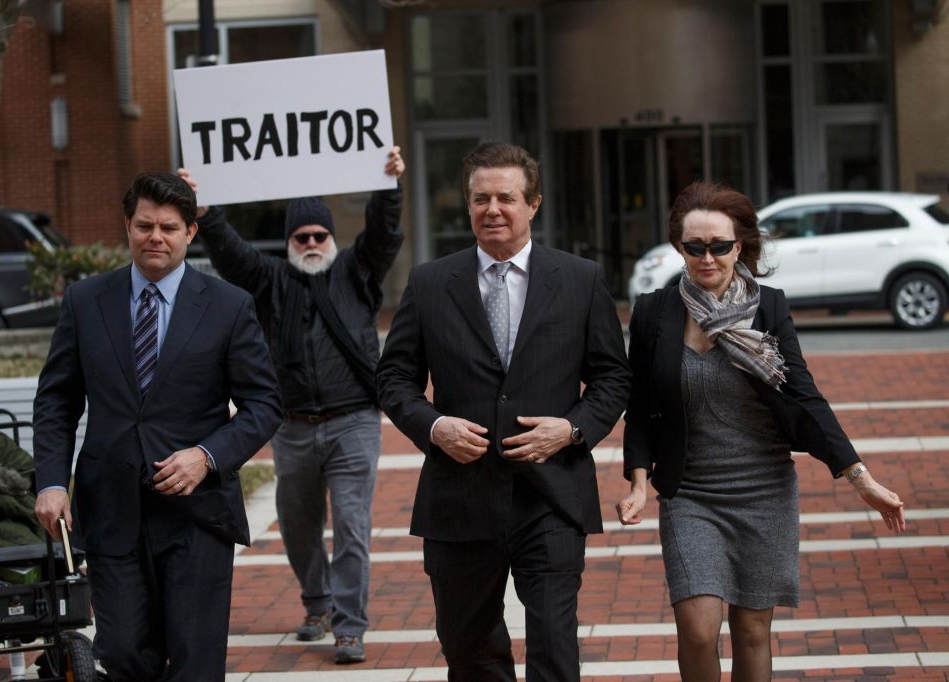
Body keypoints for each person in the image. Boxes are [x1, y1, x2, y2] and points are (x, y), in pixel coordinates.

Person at [616, 181, 907, 681]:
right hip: (690, 493)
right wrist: (639, 482)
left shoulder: (768, 307)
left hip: (764, 490)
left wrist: (861, 477)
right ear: (679, 248)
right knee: (699, 629)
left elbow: (804, 396)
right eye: (694, 247)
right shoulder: (654, 312)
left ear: (741, 246)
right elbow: (640, 405)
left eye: (720, 246)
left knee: (752, 631)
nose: (707, 258)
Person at [376, 141, 631, 682]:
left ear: (533, 204)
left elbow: (613, 376)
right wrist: (434, 426)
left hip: (552, 495)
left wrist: (572, 428)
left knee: (554, 648)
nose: (492, 209)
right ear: (467, 205)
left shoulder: (580, 279)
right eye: (480, 198)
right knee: (470, 652)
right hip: (459, 496)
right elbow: (393, 379)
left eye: (506, 198)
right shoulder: (427, 284)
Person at [33, 172, 283, 682]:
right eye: (144, 225)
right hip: (111, 511)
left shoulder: (227, 305)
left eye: (169, 227)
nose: (156, 237)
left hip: (197, 514)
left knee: (194, 661)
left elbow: (264, 404)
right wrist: (53, 482)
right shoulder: (85, 302)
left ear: (191, 231)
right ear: (127, 226)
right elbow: (57, 400)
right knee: (123, 652)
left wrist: (207, 456)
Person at [177, 147, 405, 664]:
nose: (310, 243)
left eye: (318, 235)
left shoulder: (357, 272)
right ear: (288, 243)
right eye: (300, 237)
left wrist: (389, 188)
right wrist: (204, 210)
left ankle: (349, 626)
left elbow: (384, 233)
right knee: (298, 527)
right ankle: (317, 603)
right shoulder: (271, 280)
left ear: (331, 239)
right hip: (293, 427)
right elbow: (231, 253)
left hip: (353, 423)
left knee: (351, 527)